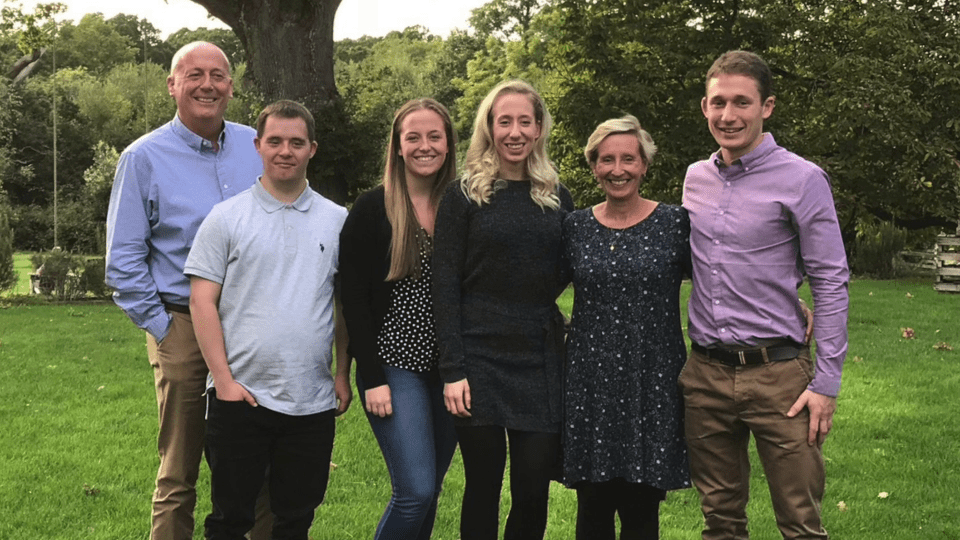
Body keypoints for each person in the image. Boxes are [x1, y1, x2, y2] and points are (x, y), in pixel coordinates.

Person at [680, 50, 850, 539]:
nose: (728, 115)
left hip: (782, 379)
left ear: (767, 106)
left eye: (741, 102)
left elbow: (831, 279)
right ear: (704, 107)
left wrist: (826, 383)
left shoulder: (803, 178)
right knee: (720, 521)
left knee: (799, 523)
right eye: (718, 103)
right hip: (706, 374)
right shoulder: (696, 178)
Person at [105, 41, 271, 540]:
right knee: (179, 471)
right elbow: (124, 260)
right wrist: (165, 330)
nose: (207, 84)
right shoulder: (143, 157)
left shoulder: (257, 144)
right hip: (180, 325)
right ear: (172, 85)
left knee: (259, 462)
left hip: (253, 327)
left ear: (231, 86)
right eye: (193, 74)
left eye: (218, 75)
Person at [185, 99, 351, 540]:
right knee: (229, 520)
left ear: (312, 149)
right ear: (257, 145)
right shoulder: (226, 218)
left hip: (311, 401)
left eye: (297, 142)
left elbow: (345, 305)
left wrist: (341, 373)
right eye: (275, 141)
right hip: (241, 396)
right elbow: (202, 302)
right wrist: (223, 381)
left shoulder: (337, 221)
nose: (285, 151)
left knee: (295, 521)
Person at [433, 80, 574, 540]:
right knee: (483, 487)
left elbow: (565, 271)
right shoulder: (465, 195)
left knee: (533, 488)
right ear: (489, 128)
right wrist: (453, 369)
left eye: (524, 122)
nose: (514, 132)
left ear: (539, 129)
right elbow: (445, 283)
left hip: (538, 357)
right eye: (504, 121)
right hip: (477, 359)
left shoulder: (556, 196)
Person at [562, 115, 691, 540]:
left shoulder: (675, 223)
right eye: (607, 160)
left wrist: (787, 302)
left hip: (651, 382)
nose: (618, 170)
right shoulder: (576, 227)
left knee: (641, 515)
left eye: (628, 159)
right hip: (590, 385)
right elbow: (535, 287)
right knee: (592, 511)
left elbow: (721, 280)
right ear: (594, 166)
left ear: (645, 166)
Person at [339, 98, 459, 540]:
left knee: (430, 491)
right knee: (414, 491)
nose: (424, 146)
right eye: (414, 137)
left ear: (448, 145)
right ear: (397, 146)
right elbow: (353, 299)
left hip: (450, 369)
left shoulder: (461, 205)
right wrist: (371, 378)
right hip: (394, 364)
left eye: (434, 136)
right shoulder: (373, 208)